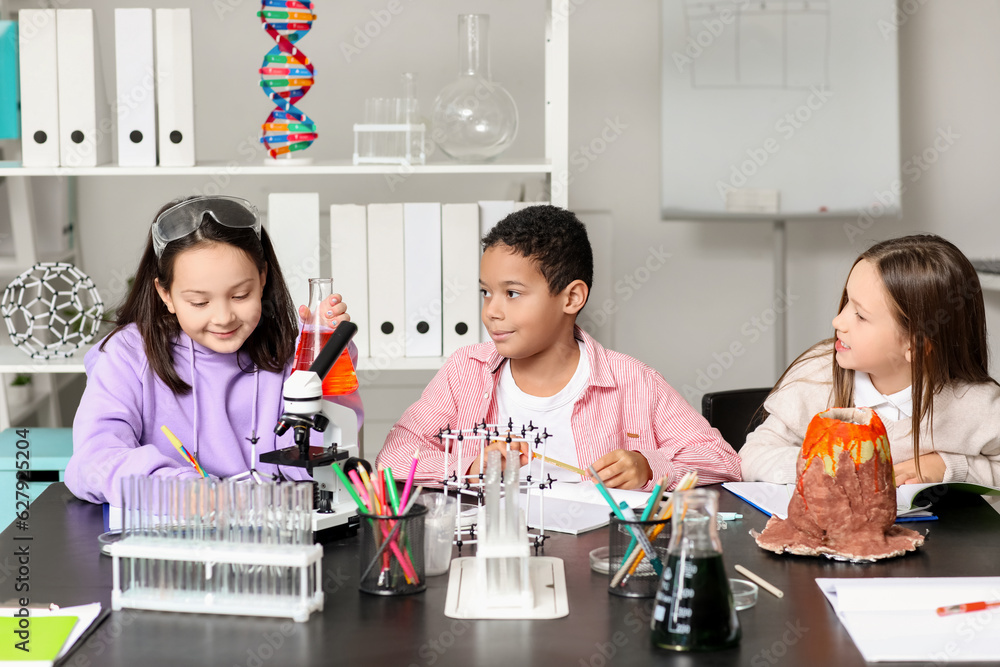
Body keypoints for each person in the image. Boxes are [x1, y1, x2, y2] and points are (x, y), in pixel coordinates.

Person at [376, 205, 741, 491]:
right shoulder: (464, 371)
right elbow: (392, 459)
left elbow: (721, 459)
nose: (492, 311)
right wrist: (470, 468)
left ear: (572, 298)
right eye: (486, 292)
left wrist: (648, 466)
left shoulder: (633, 381)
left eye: (512, 293)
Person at [65, 195, 363, 505]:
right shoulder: (127, 355)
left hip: (272, 532)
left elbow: (315, 470)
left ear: (262, 279)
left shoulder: (292, 351)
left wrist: (323, 358)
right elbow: (93, 463)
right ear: (165, 294)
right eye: (199, 302)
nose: (223, 318)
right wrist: (191, 495)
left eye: (240, 295)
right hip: (179, 534)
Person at [740, 234, 1000, 486]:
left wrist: (946, 467)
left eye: (860, 316)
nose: (838, 322)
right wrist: (822, 463)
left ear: (917, 346)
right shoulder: (817, 375)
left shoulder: (978, 406)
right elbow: (752, 456)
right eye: (846, 303)